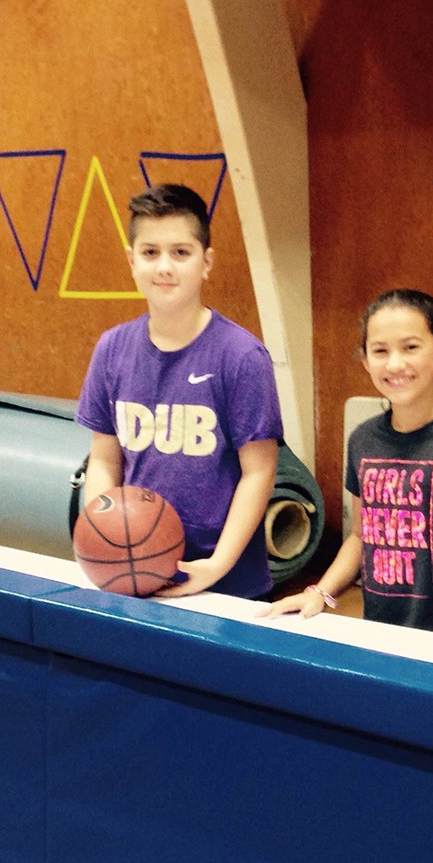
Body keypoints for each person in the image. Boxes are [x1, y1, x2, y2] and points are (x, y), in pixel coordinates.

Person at [263, 288, 433, 647]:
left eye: (410, 347)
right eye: (380, 351)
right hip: (380, 633)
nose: (395, 364)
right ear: (366, 361)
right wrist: (321, 593)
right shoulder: (363, 440)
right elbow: (360, 536)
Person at [77, 184, 281, 598]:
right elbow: (103, 460)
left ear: (206, 262)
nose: (164, 267)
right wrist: (106, 539)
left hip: (224, 582)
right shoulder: (111, 349)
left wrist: (216, 565)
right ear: (132, 261)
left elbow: (259, 472)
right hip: (135, 573)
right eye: (150, 253)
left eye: (180, 253)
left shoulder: (241, 356)